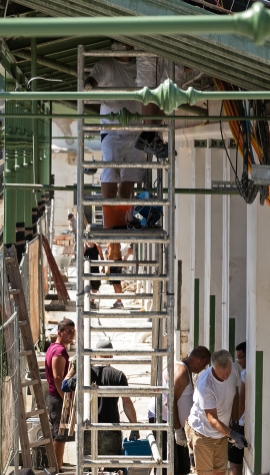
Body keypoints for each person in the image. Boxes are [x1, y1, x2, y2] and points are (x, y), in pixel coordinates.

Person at [85, 47, 166, 294]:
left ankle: (116, 237)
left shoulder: (142, 65)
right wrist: (88, 87)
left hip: (136, 131)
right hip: (112, 128)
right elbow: (91, 81)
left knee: (129, 180)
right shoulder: (107, 65)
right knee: (110, 171)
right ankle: (113, 235)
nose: (129, 50)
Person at [187, 349, 248, 475]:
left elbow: (235, 395)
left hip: (222, 432)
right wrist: (233, 433)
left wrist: (236, 420)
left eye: (228, 372)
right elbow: (212, 419)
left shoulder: (233, 371)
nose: (226, 375)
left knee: (220, 474)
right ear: (213, 368)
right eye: (222, 373)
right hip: (203, 432)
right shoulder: (205, 384)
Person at [149, 345, 212, 475]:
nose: (203, 369)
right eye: (205, 365)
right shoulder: (181, 371)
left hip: (176, 423)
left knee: (182, 466)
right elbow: (169, 402)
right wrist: (177, 429)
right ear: (201, 361)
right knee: (165, 463)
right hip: (165, 421)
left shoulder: (184, 369)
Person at [86, 354, 139, 475]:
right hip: (111, 430)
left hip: (89, 430)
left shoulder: (87, 372)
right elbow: (127, 402)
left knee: (89, 471)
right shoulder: (118, 375)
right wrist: (135, 426)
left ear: (95, 355)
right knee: (116, 472)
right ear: (110, 355)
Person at [46, 318, 76, 469]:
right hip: (58, 399)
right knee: (60, 435)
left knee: (58, 434)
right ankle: (57, 469)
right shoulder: (59, 351)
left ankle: (57, 465)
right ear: (59, 333)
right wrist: (66, 401)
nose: (72, 334)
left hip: (54, 397)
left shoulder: (54, 347)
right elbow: (58, 379)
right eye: (68, 332)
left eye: (73, 331)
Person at [224, 341, 247, 475]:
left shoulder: (244, 374)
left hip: (241, 423)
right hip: (243, 422)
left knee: (235, 462)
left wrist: (236, 421)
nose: (238, 361)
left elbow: (240, 398)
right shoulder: (242, 372)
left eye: (241, 357)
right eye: (237, 357)